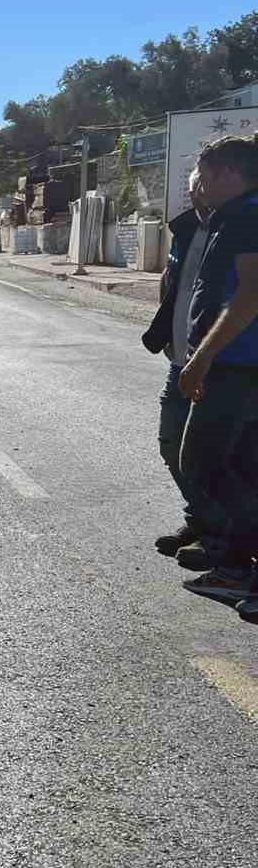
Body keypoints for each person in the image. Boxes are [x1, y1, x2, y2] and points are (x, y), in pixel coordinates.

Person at [172, 135, 258, 612]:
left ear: (228, 173)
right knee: (243, 467)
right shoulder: (234, 216)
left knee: (202, 460)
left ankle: (239, 568)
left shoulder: (247, 216)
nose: (200, 187)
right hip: (238, 363)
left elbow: (249, 296)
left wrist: (201, 358)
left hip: (238, 365)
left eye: (205, 177)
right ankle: (239, 570)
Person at [142, 169, 214, 562]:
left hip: (223, 363)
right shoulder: (185, 229)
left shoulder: (240, 230)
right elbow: (173, 284)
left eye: (203, 185)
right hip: (182, 359)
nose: (196, 195)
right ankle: (201, 519)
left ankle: (223, 537)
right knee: (173, 444)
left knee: (214, 452)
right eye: (192, 189)